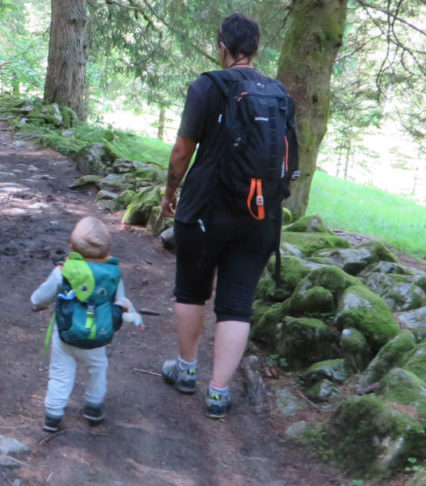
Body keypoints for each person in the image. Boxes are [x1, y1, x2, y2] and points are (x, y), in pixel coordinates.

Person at [158, 13, 299, 419]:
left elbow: (183, 150)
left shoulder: (207, 85)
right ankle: (218, 393)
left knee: (191, 288)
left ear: (222, 45)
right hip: (259, 215)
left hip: (205, 209)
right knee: (237, 305)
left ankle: (186, 372)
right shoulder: (279, 95)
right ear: (255, 49)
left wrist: (170, 191)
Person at [30, 216, 143, 432]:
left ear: (71, 247)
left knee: (60, 373)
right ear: (108, 251)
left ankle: (53, 415)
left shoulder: (64, 270)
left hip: (65, 333)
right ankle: (93, 406)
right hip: (97, 335)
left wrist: (36, 303)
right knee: (98, 368)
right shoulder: (113, 275)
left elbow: (43, 295)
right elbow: (120, 301)